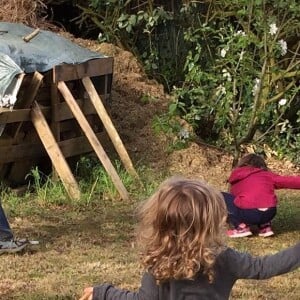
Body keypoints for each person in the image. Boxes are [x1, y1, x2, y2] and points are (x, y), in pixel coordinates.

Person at [79, 176, 300, 300]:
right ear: (212, 222)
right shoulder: (223, 258)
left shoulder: (158, 265)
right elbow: (264, 267)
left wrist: (104, 293)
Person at [223, 153, 300, 238]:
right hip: (269, 213)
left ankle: (241, 228)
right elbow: (289, 181)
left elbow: (234, 199)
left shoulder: (238, 175)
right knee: (262, 199)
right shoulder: (267, 175)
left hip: (249, 213)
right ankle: (265, 226)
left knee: (220, 196)